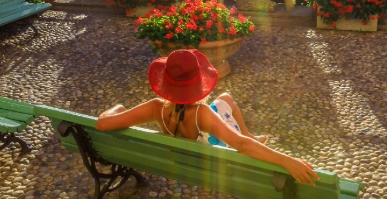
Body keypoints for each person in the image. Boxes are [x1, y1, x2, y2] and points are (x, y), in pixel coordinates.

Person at [96, 49, 319, 186]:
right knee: (226, 100)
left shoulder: (155, 108)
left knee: (225, 100)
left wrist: (118, 107)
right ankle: (249, 133)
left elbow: (102, 123)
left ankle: (250, 133)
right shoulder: (202, 113)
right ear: (197, 82)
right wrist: (287, 161)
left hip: (180, 159)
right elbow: (240, 145)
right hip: (208, 157)